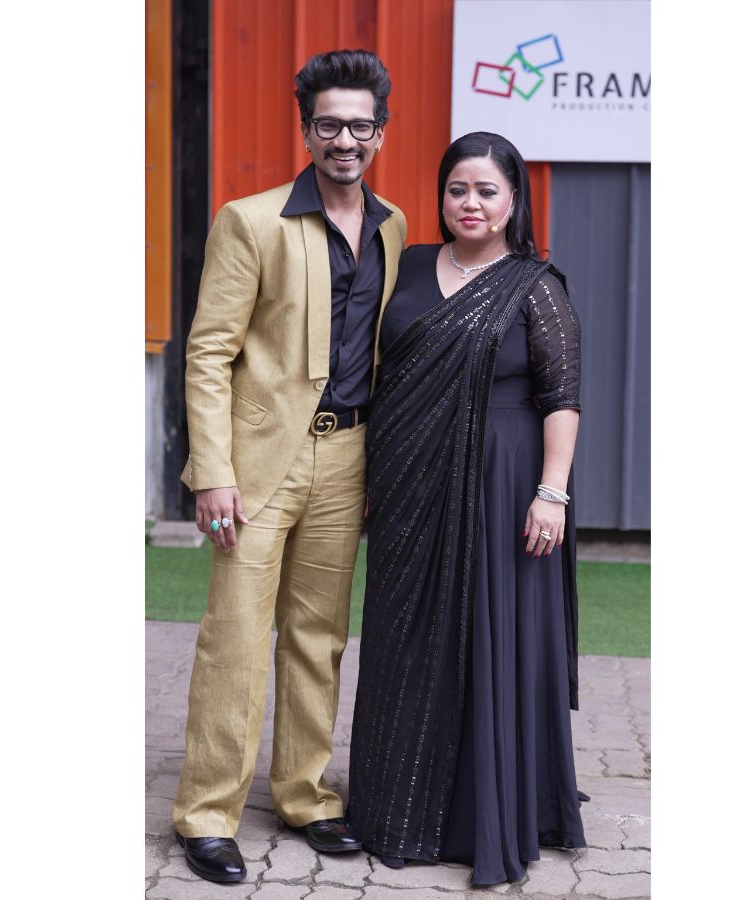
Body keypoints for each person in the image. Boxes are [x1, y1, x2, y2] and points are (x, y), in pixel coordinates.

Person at [171, 49, 407, 884]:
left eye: (360, 126)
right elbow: (208, 352)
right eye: (329, 125)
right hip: (257, 462)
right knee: (236, 637)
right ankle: (207, 814)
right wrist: (212, 470)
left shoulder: (393, 225)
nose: (345, 140)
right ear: (306, 129)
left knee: (318, 636)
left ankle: (305, 794)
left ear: (381, 131)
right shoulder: (251, 220)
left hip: (348, 456)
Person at [347, 131, 586, 885]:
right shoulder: (410, 264)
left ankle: (483, 810)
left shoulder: (536, 285)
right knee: (405, 635)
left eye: (486, 190)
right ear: (441, 197)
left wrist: (552, 492)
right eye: (457, 189)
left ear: (514, 200)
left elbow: (562, 397)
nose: (470, 203)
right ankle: (394, 803)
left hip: (502, 483)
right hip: (408, 483)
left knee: (487, 635)